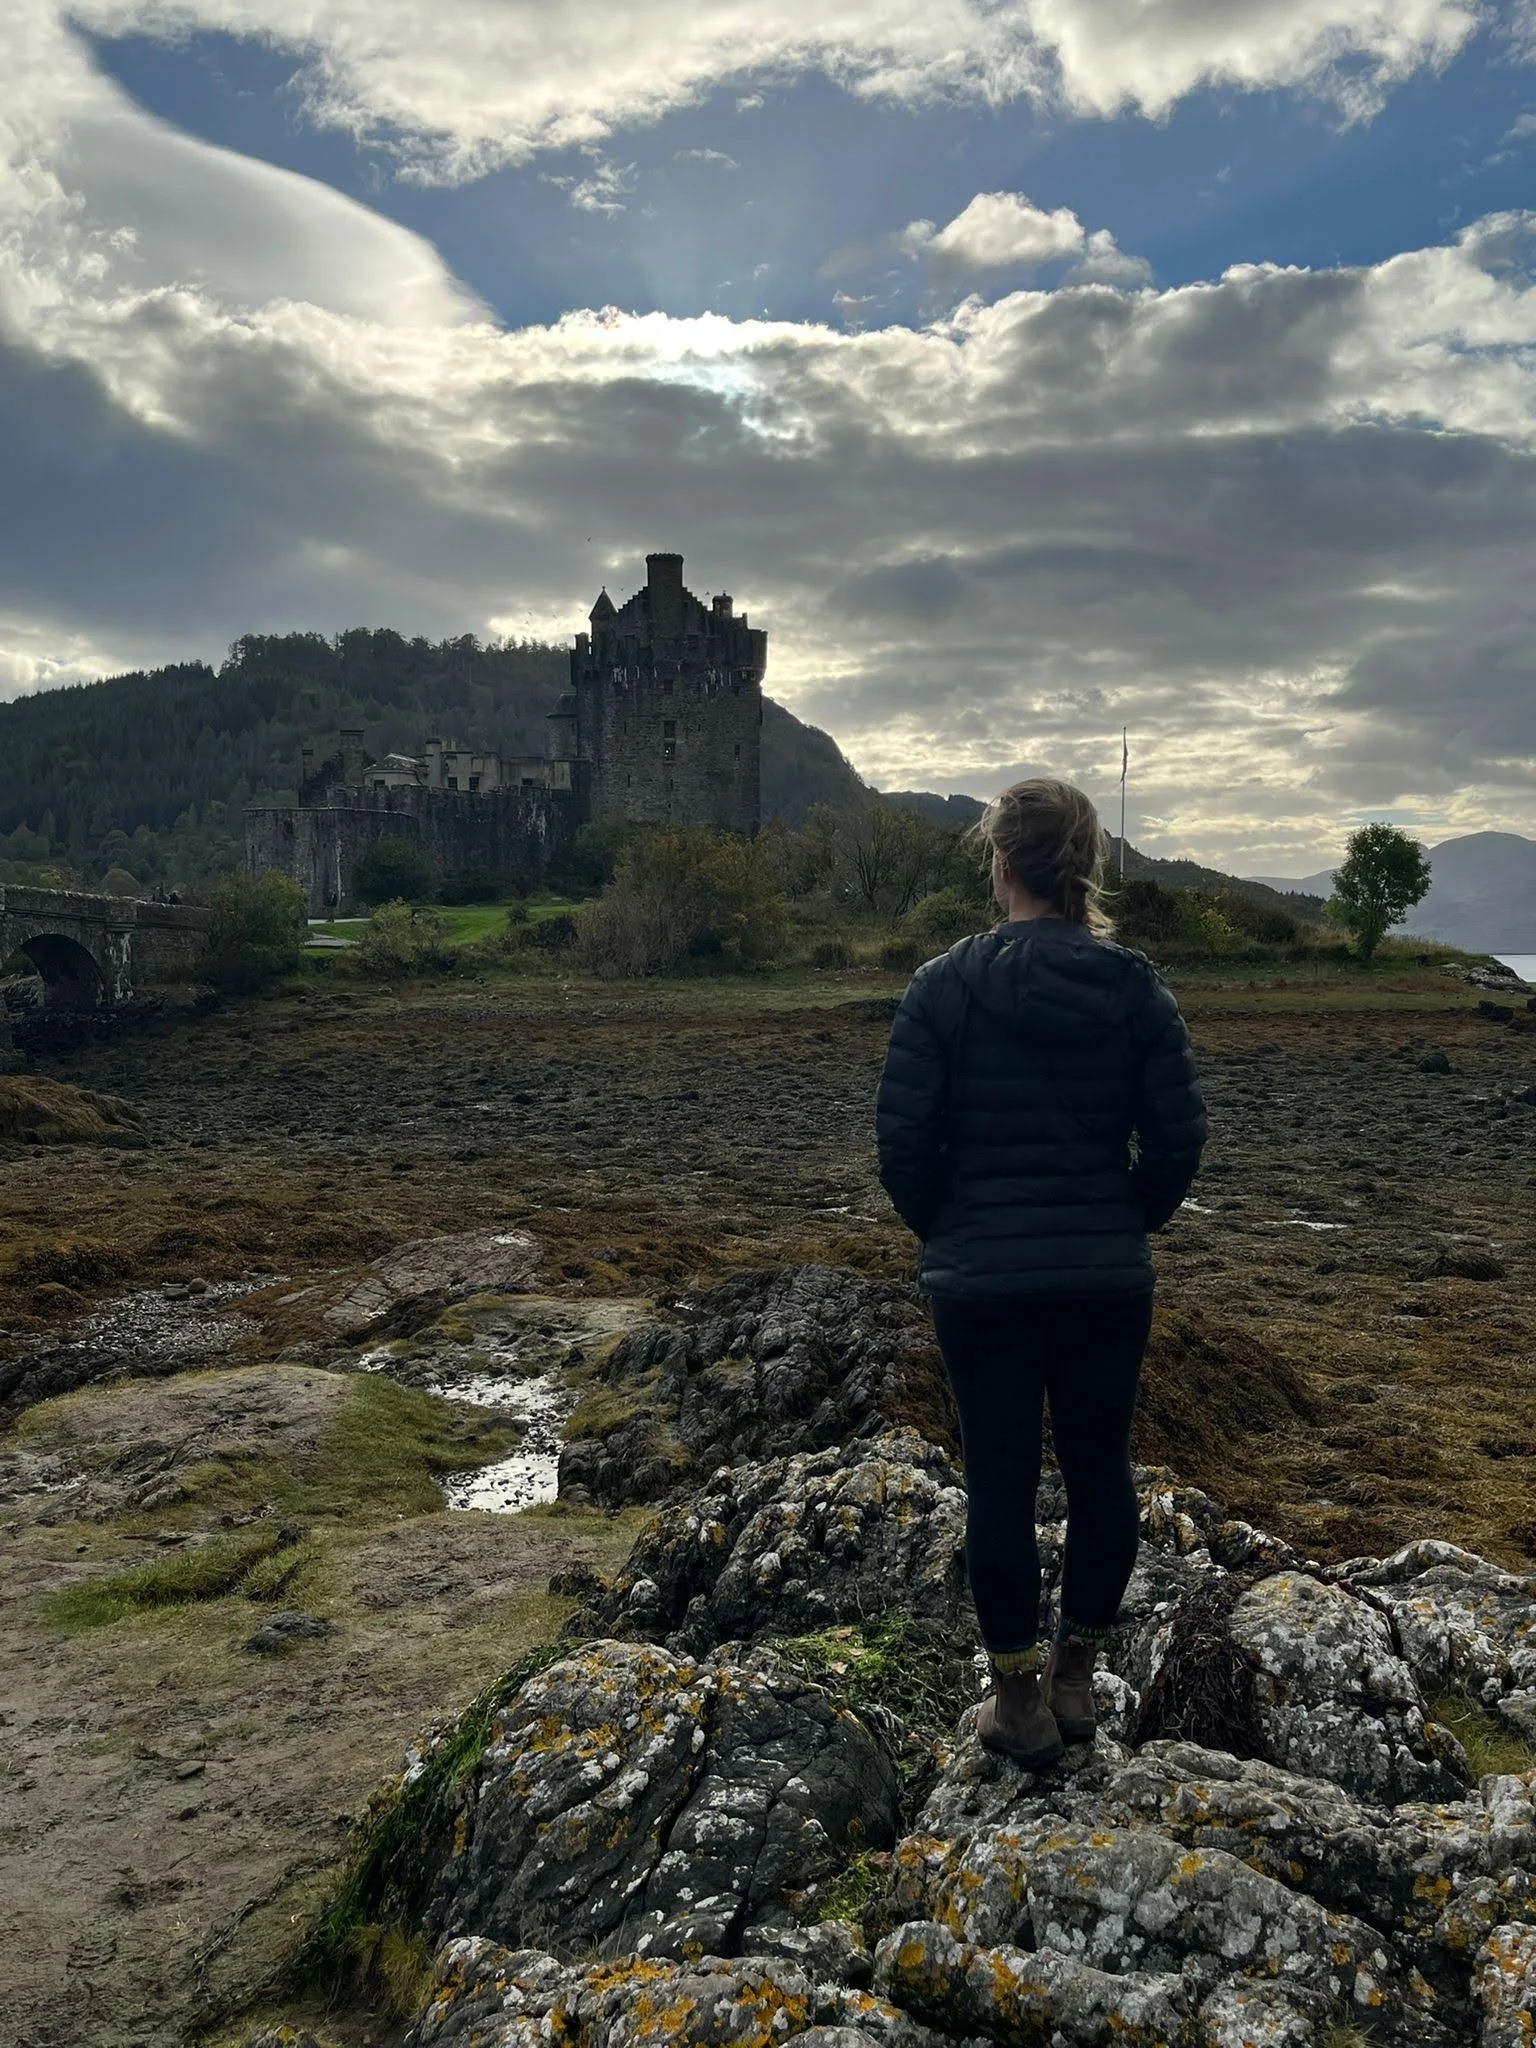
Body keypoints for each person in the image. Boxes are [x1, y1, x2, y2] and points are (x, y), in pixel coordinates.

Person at [875, 779, 1206, 1767]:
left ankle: (1015, 1697)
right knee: (1104, 1471)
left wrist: (954, 1230)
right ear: (1084, 867)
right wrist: (1120, 1221)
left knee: (1001, 1478)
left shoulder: (941, 985)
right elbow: (1180, 1138)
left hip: (982, 1284)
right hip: (1106, 1277)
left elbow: (902, 1144)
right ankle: (1075, 1677)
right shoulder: (1137, 985)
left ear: (1002, 864)